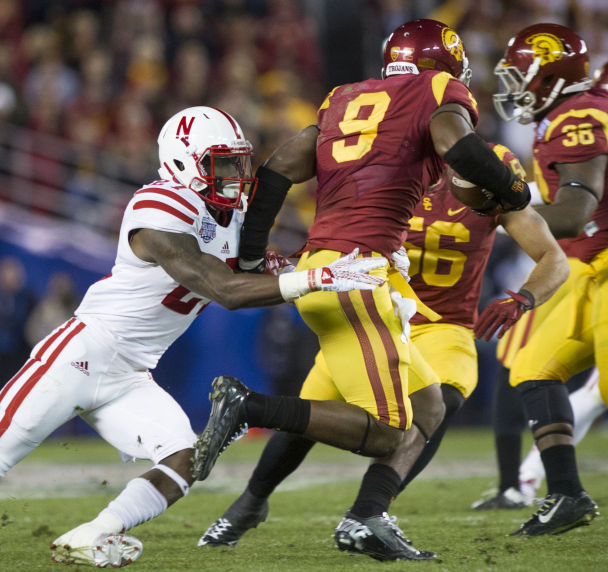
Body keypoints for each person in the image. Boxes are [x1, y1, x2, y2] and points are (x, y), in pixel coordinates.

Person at [191, 19, 532, 562]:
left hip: (338, 267)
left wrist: (253, 257)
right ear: (438, 63)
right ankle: (250, 405)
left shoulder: (341, 97)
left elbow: (277, 169)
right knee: (386, 435)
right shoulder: (439, 90)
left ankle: (365, 520)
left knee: (429, 409)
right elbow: (460, 148)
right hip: (358, 276)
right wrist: (515, 189)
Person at [0, 106, 385, 568]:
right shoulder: (159, 206)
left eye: (238, 162)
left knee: (185, 459)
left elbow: (265, 274)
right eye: (222, 163)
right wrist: (313, 278)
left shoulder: (231, 217)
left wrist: (347, 261)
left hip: (132, 374)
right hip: (81, 355)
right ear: (183, 162)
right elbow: (224, 289)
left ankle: (92, 534)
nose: (235, 176)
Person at [196, 140, 568, 555]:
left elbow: (553, 257)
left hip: (443, 323)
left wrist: (523, 298)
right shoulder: (389, 168)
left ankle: (368, 511)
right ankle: (250, 502)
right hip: (371, 312)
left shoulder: (492, 174)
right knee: (312, 409)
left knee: (442, 397)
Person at [485, 23, 608, 536]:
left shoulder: (582, 115)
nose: (515, 88)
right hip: (591, 264)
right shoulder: (564, 115)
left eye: (524, 76)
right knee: (532, 369)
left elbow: (572, 210)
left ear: (552, 76)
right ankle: (567, 495)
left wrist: (496, 209)